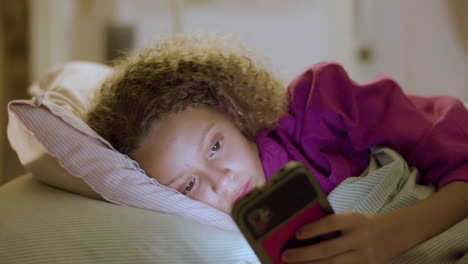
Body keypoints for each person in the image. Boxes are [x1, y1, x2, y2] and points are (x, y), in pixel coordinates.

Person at [86, 35, 468, 263]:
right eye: (187, 186)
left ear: (232, 111)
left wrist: (396, 231)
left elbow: (456, 145)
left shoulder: (318, 105)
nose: (221, 182)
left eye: (216, 146)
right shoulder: (211, 241)